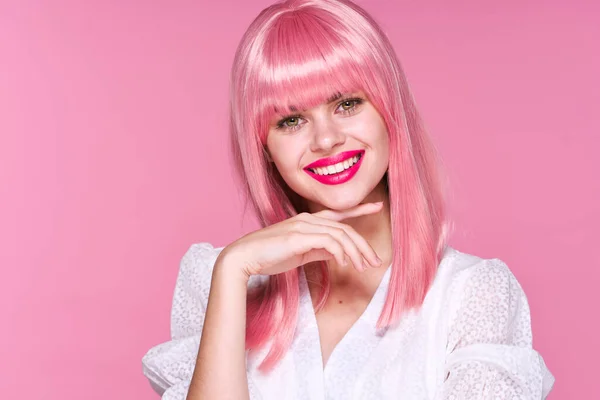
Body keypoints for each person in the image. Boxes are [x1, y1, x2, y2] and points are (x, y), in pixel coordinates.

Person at [142, 0, 555, 398]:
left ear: (389, 109)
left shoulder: (472, 295)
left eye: (347, 103)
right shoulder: (221, 282)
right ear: (263, 146)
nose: (326, 139)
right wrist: (233, 270)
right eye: (291, 120)